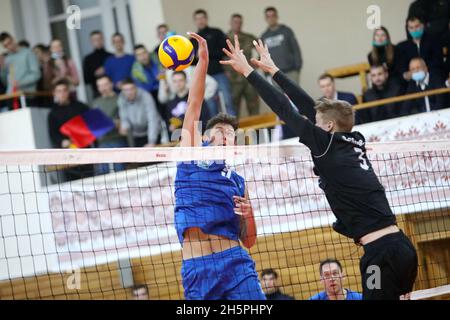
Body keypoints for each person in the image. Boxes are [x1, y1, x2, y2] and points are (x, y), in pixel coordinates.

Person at [221, 35, 418, 300]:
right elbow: (310, 107)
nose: (312, 124)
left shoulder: (325, 145)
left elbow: (285, 109)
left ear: (328, 127)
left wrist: (247, 71)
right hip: (404, 248)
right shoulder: (353, 140)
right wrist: (275, 71)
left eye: (317, 123)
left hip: (378, 257)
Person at [174, 32, 265, 300]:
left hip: (236, 263)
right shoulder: (190, 154)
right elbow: (194, 104)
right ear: (205, 136)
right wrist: (202, 60)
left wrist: (248, 214)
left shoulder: (238, 180)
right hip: (199, 270)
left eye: (232, 134)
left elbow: (248, 240)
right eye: (223, 131)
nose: (229, 137)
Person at [192, 9, 236, 116]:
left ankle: (233, 129)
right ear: (195, 21)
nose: (200, 21)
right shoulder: (192, 40)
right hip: (204, 78)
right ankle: (215, 131)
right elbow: (191, 62)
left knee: (227, 101)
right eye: (197, 19)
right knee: (210, 106)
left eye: (202, 18)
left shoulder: (216, 32)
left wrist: (205, 53)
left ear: (206, 19)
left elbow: (226, 50)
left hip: (219, 73)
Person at [47, 79, 93, 181]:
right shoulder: (52, 113)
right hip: (68, 154)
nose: (62, 94)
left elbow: (92, 123)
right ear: (54, 93)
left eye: (64, 90)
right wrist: (62, 141)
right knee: (73, 184)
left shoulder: (80, 107)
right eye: (59, 91)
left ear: (68, 92)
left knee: (91, 180)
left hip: (85, 149)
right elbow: (53, 133)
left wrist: (85, 136)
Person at [93, 75, 128, 174]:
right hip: (102, 141)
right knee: (101, 172)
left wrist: (120, 123)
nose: (103, 88)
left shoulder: (120, 99)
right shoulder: (95, 103)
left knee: (119, 170)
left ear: (111, 84)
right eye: (100, 86)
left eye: (105, 84)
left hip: (117, 139)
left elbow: (125, 118)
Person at [226, 14, 259, 118]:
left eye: (239, 22)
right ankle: (235, 133)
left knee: (253, 106)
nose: (237, 24)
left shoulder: (249, 38)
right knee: (233, 109)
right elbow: (220, 56)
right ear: (230, 23)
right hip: (233, 80)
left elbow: (261, 49)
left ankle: (256, 133)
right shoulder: (224, 38)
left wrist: (257, 63)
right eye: (235, 22)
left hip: (249, 78)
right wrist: (225, 72)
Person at [261, 7, 302, 84]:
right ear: (265, 19)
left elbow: (296, 50)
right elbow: (263, 56)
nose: (271, 18)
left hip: (291, 71)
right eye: (268, 16)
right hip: (274, 73)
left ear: (277, 17)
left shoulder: (286, 31)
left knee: (294, 95)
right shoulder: (264, 36)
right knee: (278, 96)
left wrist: (297, 68)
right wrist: (266, 73)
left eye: (273, 16)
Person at [117, 78, 161, 148]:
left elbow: (152, 119)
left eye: (131, 89)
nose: (129, 92)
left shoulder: (146, 96)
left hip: (152, 132)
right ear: (122, 91)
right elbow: (123, 116)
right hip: (136, 134)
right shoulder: (121, 98)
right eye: (126, 90)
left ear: (136, 88)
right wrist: (124, 126)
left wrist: (152, 141)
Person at [397, 16, 444, 82]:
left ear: (422, 26)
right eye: (411, 28)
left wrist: (423, 70)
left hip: (432, 77)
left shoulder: (434, 41)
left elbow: (438, 61)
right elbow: (401, 67)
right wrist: (406, 74)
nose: (414, 30)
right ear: (408, 29)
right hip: (412, 80)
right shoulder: (402, 47)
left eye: (417, 26)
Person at [131, 44, 163, 118]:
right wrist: (156, 79)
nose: (143, 57)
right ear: (136, 58)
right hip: (150, 96)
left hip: (164, 90)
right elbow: (145, 89)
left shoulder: (157, 60)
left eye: (144, 53)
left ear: (148, 53)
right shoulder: (135, 71)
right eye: (139, 55)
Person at [83, 31, 113, 98]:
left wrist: (106, 70)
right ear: (91, 42)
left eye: (99, 39)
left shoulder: (111, 56)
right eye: (95, 40)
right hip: (97, 93)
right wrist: (95, 74)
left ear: (103, 39)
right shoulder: (88, 59)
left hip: (112, 91)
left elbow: (115, 74)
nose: (97, 41)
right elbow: (86, 80)